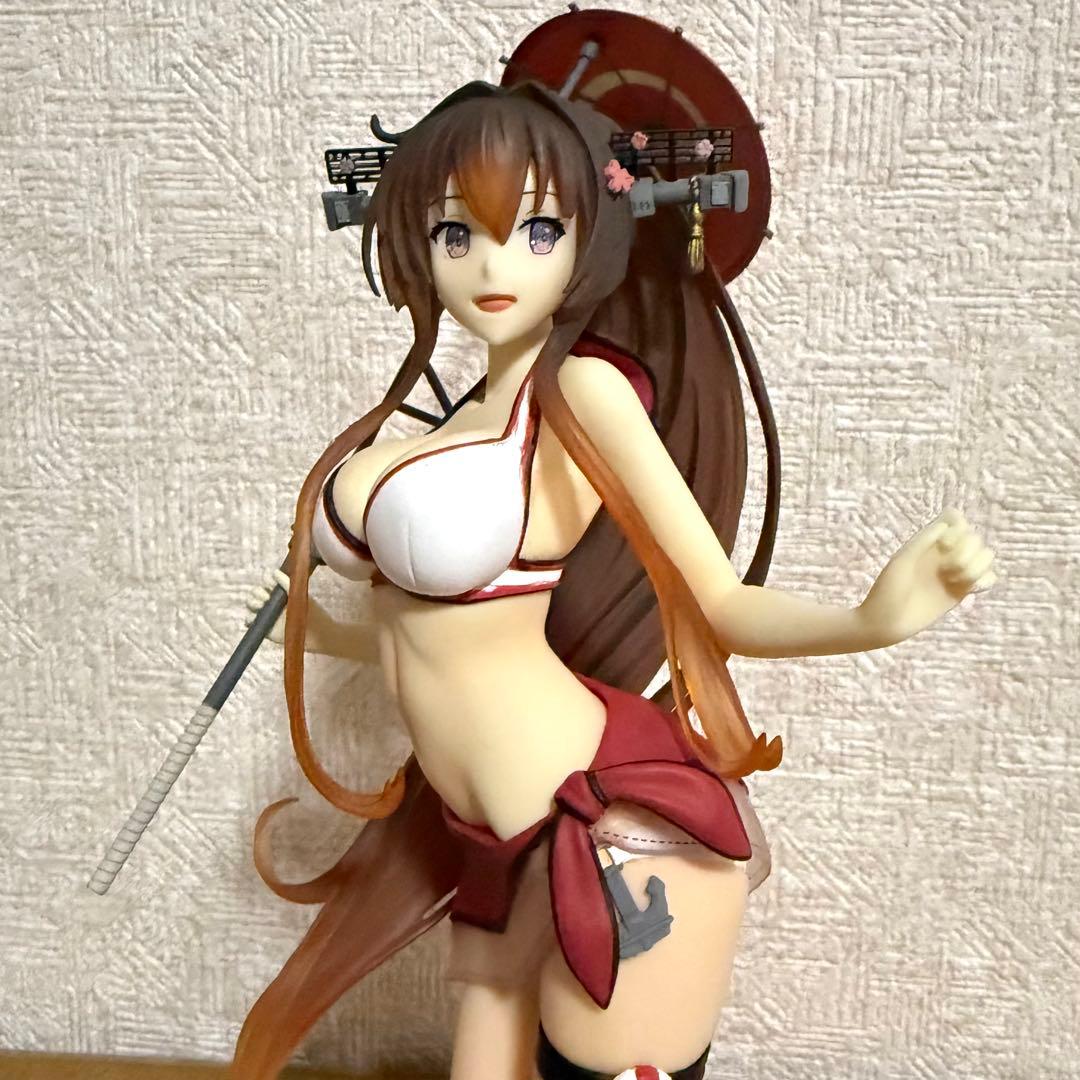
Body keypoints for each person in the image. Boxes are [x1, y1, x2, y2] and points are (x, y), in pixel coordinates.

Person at [231, 80, 995, 1080]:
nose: (494, 266)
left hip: (595, 824)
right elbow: (428, 628)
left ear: (588, 239)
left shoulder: (581, 391)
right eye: (458, 233)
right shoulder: (455, 416)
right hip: (487, 830)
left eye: (538, 230)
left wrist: (871, 619)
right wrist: (320, 632)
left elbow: (718, 604)